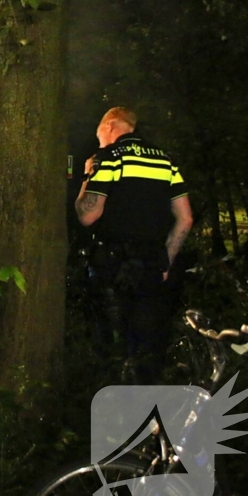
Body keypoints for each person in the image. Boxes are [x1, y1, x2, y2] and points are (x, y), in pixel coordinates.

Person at [75, 106, 194, 384]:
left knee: (112, 351)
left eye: (99, 134)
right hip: (152, 266)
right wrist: (166, 260)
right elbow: (185, 219)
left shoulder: (109, 159)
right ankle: (146, 417)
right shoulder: (166, 162)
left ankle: (111, 413)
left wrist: (86, 176)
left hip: (112, 268)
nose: (99, 141)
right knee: (146, 350)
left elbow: (87, 215)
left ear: (110, 126)